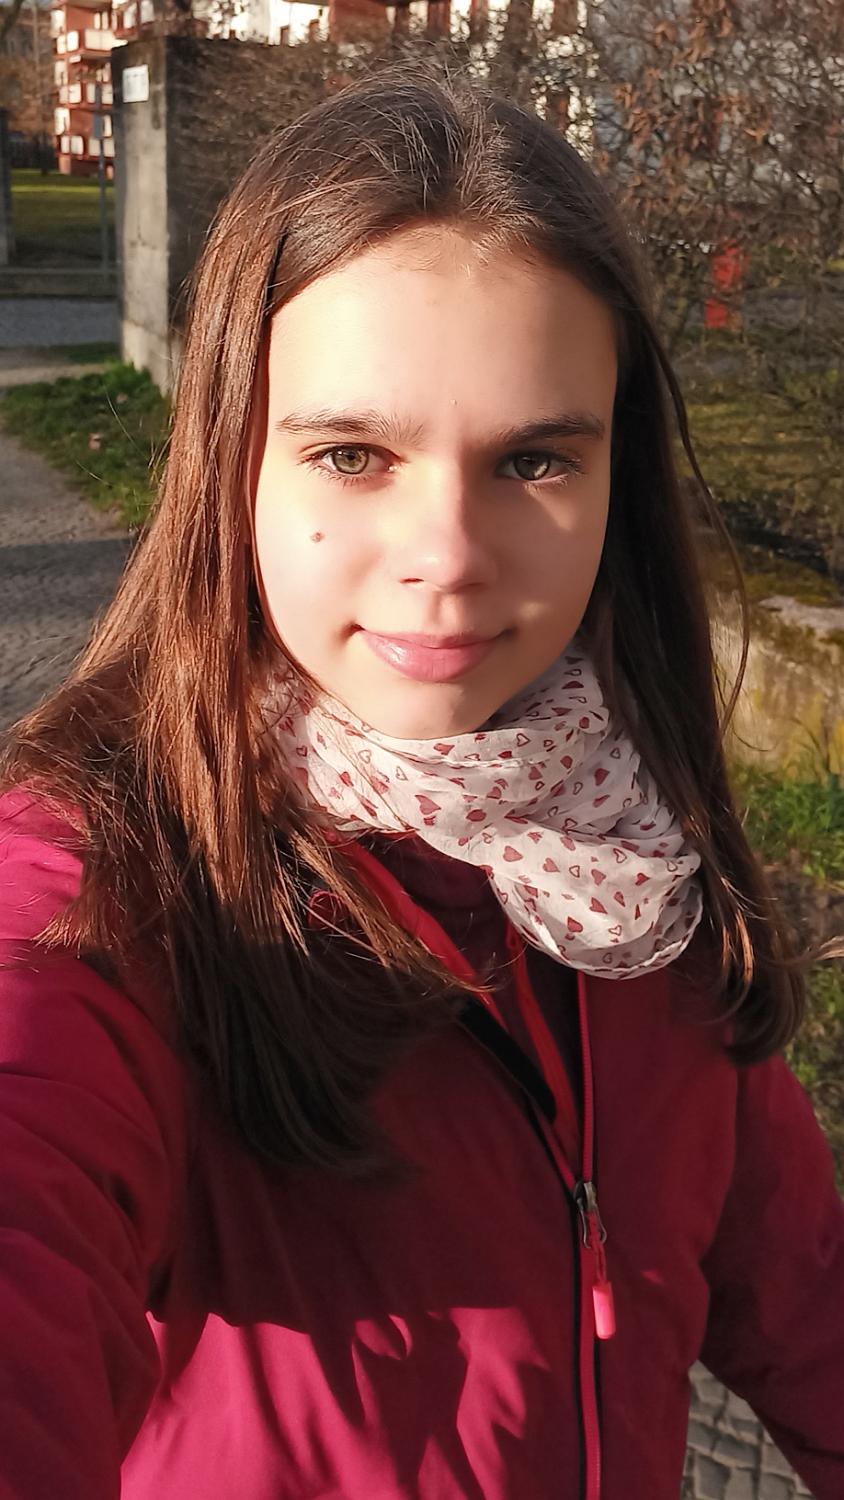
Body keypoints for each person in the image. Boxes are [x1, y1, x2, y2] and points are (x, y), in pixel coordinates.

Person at [0, 56, 842, 1500]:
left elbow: (807, 1292)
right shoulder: (102, 897)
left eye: (534, 461)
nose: (447, 556)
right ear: (233, 467)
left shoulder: (638, 870)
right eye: (351, 454)